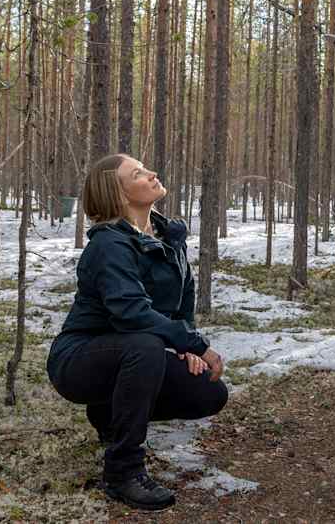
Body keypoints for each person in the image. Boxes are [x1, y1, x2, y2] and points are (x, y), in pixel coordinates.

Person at [47, 153, 227, 511]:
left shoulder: (167, 238)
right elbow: (131, 314)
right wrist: (191, 342)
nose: (151, 174)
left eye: (146, 169)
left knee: (209, 392)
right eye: (139, 173)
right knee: (143, 346)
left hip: (129, 350)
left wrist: (185, 345)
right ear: (119, 193)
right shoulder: (109, 244)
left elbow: (181, 302)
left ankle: (107, 415)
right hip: (79, 358)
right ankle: (122, 471)